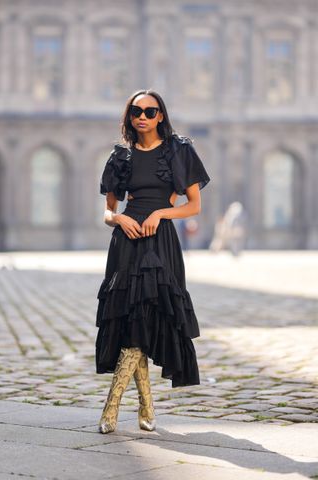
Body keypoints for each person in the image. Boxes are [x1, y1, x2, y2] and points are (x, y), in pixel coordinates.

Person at [95, 89, 211, 434]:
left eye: (150, 110)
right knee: (132, 322)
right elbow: (107, 210)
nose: (143, 116)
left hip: (159, 244)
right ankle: (146, 406)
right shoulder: (120, 156)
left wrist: (161, 212)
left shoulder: (179, 150)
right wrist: (118, 220)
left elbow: (193, 206)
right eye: (136, 111)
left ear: (161, 115)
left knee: (146, 317)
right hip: (126, 242)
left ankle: (111, 408)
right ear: (129, 116)